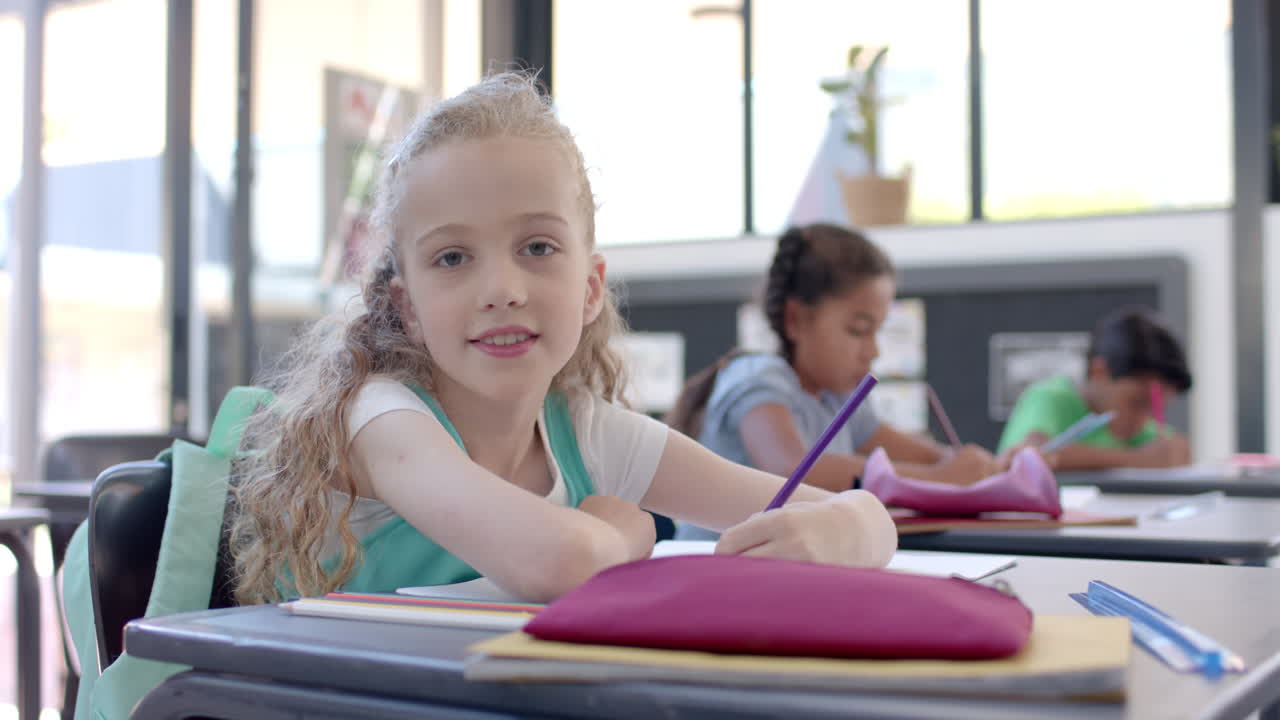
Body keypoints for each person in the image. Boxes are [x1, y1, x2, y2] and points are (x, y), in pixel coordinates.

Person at [227, 73, 897, 605]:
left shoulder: (584, 431)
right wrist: (630, 530)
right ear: (407, 306)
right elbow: (563, 561)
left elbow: (853, 514)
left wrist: (855, 526)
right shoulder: (381, 418)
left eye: (538, 246)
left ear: (590, 287)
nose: (503, 289)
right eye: (453, 258)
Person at [666, 223, 1001, 541]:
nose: (872, 351)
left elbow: (923, 457)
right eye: (857, 330)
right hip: (715, 570)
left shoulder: (838, 398)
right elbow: (792, 471)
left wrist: (969, 465)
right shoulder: (759, 378)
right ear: (796, 319)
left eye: (877, 331)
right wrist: (939, 480)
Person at [997, 307, 1193, 471]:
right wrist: (1139, 459)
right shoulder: (1050, 399)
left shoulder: (1146, 431)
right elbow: (1035, 453)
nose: (1144, 418)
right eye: (1138, 403)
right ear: (1100, 371)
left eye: (1158, 407)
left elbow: (1172, 451)